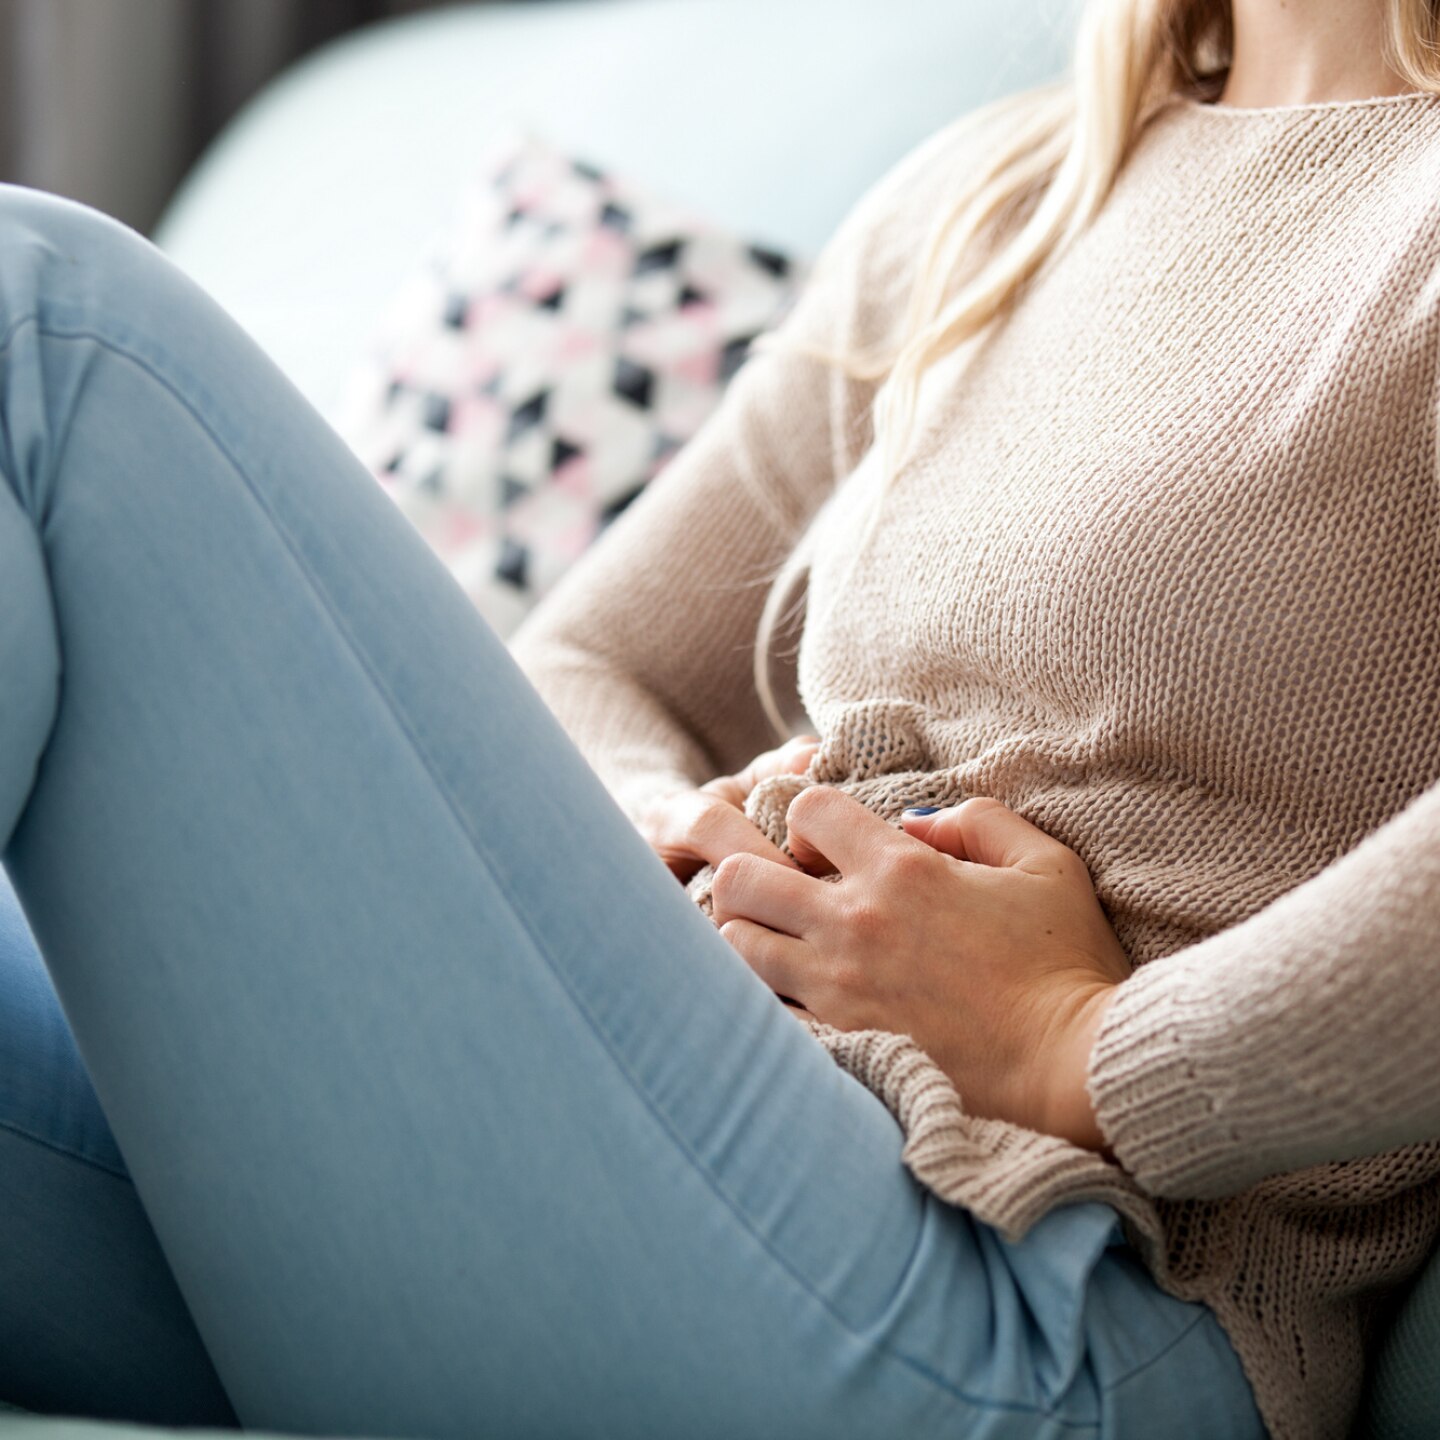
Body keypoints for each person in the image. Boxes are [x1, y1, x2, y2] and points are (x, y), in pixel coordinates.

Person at [2, 0, 1439, 1434]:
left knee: (48, 327)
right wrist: (666, 850)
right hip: (704, 1132)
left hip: (1043, 1295)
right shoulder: (1000, 194)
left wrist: (1084, 1047)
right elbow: (593, 661)